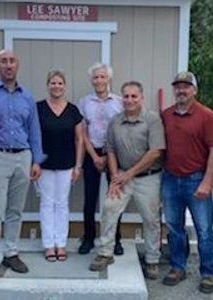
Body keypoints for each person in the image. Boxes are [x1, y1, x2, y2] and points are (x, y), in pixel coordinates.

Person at [0, 49, 45, 286]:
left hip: (22, 157)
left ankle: (11, 252)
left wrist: (36, 160)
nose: (8, 65)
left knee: (15, 210)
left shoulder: (27, 97)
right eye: (4, 61)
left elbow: (34, 130)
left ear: (18, 65)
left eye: (12, 61)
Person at [88, 81, 166, 280]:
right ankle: (105, 252)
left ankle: (152, 259)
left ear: (141, 97)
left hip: (148, 178)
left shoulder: (152, 119)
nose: (129, 100)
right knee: (109, 207)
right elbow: (111, 149)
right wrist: (115, 177)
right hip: (121, 176)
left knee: (151, 220)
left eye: (134, 96)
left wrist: (128, 174)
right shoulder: (115, 121)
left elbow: (155, 152)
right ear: (121, 98)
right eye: (126, 96)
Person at [161, 71, 213, 294]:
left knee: (204, 229)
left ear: (194, 90)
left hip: (197, 178)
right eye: (177, 86)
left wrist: (208, 182)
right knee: (174, 228)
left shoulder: (207, 116)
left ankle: (207, 273)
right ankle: (178, 267)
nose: (181, 90)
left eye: (186, 87)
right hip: (170, 179)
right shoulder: (166, 115)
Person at [36, 70, 84, 262]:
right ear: (48, 85)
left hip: (67, 165)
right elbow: (33, 137)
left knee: (62, 204)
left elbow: (80, 139)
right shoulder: (38, 108)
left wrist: (78, 166)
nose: (56, 86)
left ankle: (60, 243)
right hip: (44, 165)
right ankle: (48, 245)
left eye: (60, 83)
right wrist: (34, 162)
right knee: (47, 204)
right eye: (53, 83)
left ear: (65, 86)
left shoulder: (73, 111)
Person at [77, 63, 124, 255]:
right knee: (90, 198)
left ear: (109, 79)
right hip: (92, 154)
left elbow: (122, 130)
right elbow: (82, 132)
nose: (99, 81)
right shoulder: (84, 102)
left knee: (115, 198)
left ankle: (116, 239)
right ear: (91, 80)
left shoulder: (119, 102)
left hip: (114, 154)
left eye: (103, 77)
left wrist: (108, 156)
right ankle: (88, 238)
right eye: (96, 77)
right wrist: (95, 156)